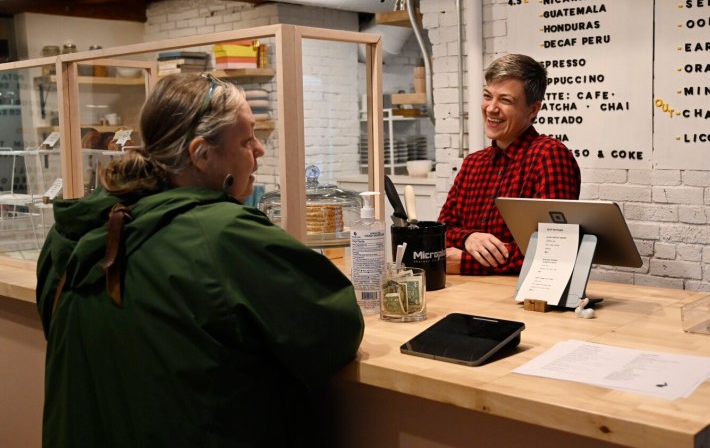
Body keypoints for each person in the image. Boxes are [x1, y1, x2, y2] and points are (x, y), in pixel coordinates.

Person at [36, 73, 364, 448]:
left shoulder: (72, 234)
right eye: (246, 139)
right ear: (201, 154)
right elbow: (334, 332)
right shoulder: (225, 236)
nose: (259, 150)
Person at [438, 54, 581, 275]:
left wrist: (465, 262)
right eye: (487, 96)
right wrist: (468, 238)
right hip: (464, 294)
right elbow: (442, 231)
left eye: (505, 100)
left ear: (533, 109)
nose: (491, 108)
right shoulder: (473, 164)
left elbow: (553, 248)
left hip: (523, 300)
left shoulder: (549, 156)